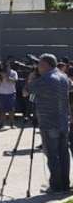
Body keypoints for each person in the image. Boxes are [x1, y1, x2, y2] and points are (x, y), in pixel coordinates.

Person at [26, 54, 71, 193]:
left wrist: (32, 77)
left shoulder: (46, 79)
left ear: (45, 65)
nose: (38, 67)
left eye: (39, 64)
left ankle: (56, 186)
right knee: (63, 153)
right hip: (63, 121)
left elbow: (26, 91)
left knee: (52, 155)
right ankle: (64, 183)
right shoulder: (63, 77)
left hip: (49, 122)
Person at [0, 62, 18, 130]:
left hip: (11, 93)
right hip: (2, 93)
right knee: (2, 110)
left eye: (6, 67)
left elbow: (15, 81)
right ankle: (1, 124)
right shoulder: (1, 73)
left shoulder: (13, 73)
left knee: (11, 109)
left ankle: (12, 124)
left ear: (9, 67)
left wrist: (7, 77)